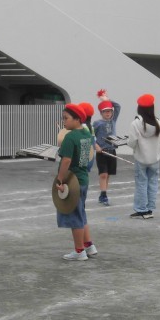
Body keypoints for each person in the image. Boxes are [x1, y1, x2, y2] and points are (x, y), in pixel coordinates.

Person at [56, 103, 96, 261]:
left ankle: (79, 251)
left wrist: (60, 179)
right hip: (83, 178)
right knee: (81, 213)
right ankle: (89, 245)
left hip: (73, 181)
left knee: (75, 217)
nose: (64, 121)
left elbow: (66, 161)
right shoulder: (86, 134)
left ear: (77, 119)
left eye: (66, 118)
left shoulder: (70, 137)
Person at [127, 94, 160, 219]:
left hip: (141, 158)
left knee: (141, 183)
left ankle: (141, 209)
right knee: (153, 183)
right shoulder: (157, 122)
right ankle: (150, 209)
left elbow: (131, 142)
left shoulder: (135, 123)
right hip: (155, 158)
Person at [93, 91, 121, 206]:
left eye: (109, 111)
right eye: (105, 111)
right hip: (102, 152)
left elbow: (118, 106)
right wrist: (96, 146)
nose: (108, 113)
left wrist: (107, 100)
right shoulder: (97, 123)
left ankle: (103, 193)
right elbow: (90, 135)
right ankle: (104, 195)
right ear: (101, 113)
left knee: (108, 174)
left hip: (112, 151)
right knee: (103, 174)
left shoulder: (113, 120)